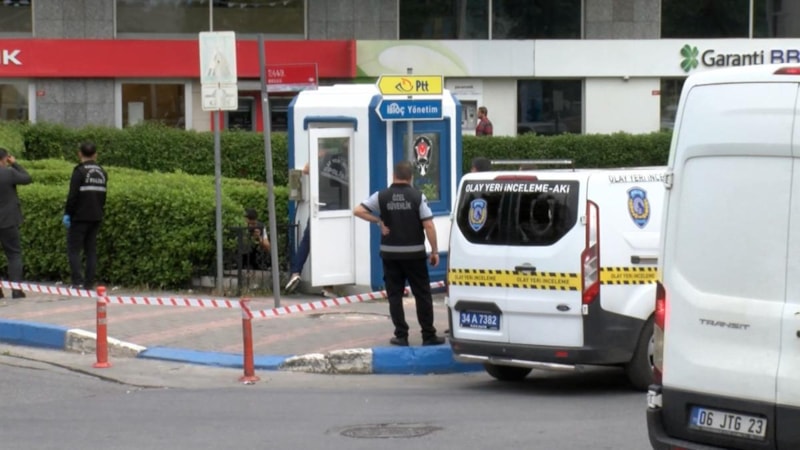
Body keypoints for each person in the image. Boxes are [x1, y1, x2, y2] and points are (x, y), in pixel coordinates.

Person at [354, 161, 446, 347]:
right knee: (422, 294)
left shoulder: (381, 196)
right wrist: (435, 251)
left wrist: (378, 221)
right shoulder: (417, 197)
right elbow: (428, 225)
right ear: (411, 177)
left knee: (394, 295)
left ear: (394, 176)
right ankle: (428, 335)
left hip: (390, 254)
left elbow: (358, 210)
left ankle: (401, 335)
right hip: (414, 255)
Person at [285, 147, 346, 297]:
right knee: (330, 246)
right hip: (338, 206)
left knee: (307, 241)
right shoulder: (347, 160)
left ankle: (295, 272)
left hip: (320, 206)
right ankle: (328, 286)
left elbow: (306, 169)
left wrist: (317, 155)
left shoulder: (323, 160)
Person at [63, 142, 107, 290]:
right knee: (91, 250)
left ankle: (77, 282)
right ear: (96, 155)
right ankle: (89, 283)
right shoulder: (102, 172)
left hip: (79, 217)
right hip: (96, 216)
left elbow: (72, 196)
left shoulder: (79, 171)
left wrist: (68, 213)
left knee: (74, 250)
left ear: (79, 154)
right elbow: (103, 196)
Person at [0, 148, 31, 299]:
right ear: (5, 159)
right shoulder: (9, 173)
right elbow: (27, 178)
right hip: (8, 220)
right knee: (13, 254)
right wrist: (15, 164)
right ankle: (16, 290)